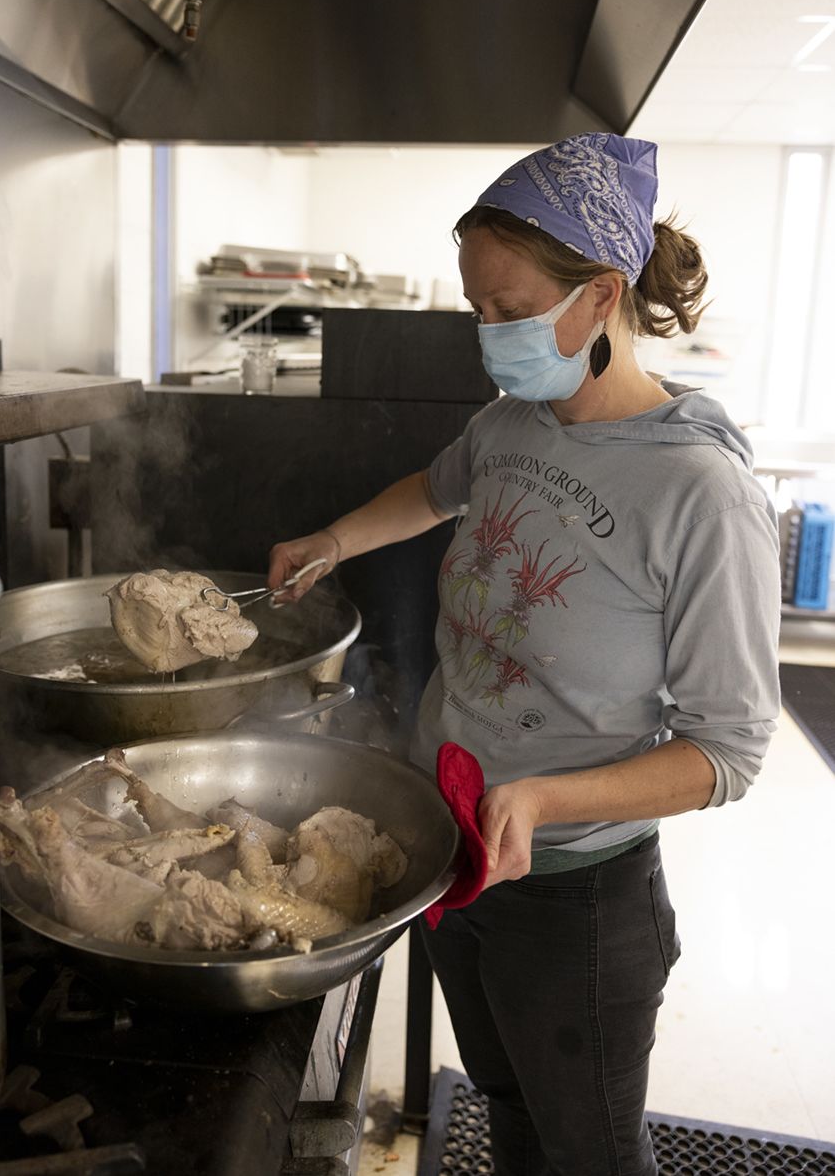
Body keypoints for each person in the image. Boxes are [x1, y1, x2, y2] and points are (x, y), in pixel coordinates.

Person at [267, 133, 781, 1176]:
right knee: (508, 1111)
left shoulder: (701, 493)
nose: (488, 335)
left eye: (507, 309)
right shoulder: (516, 419)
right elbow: (435, 486)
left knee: (587, 1150)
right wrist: (333, 539)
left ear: (601, 295)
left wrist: (545, 799)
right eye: (478, 311)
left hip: (578, 900)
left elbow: (729, 751)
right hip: (456, 850)